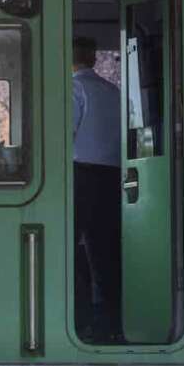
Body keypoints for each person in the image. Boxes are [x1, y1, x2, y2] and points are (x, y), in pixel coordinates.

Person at [72, 36, 124, 343]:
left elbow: (65, 133)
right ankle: (110, 321)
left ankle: (83, 321)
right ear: (93, 57)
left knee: (73, 250)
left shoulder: (74, 89)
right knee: (104, 252)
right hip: (112, 176)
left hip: (81, 175)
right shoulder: (112, 91)